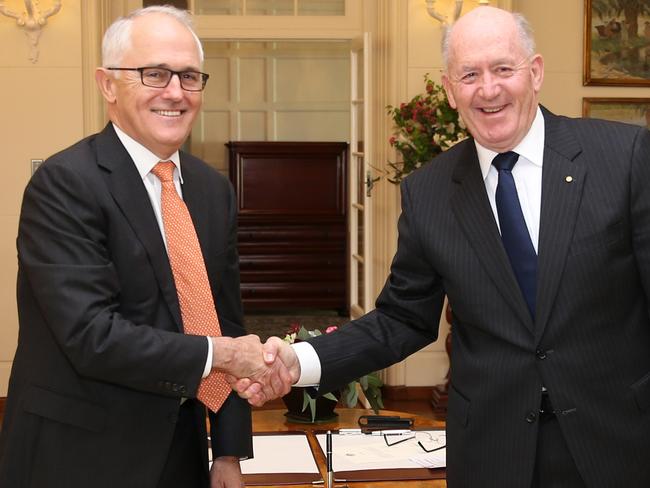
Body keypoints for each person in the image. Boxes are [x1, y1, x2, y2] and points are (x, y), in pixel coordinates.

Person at [232, 6, 650, 488]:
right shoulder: (428, 193)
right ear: (450, 90)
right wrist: (298, 360)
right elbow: (402, 319)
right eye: (469, 74)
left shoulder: (623, 158)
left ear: (534, 73)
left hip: (620, 443)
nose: (487, 89)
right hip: (493, 453)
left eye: (502, 69)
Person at [0, 6, 292, 488]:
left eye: (189, 76)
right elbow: (93, 337)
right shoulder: (64, 184)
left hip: (181, 450)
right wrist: (220, 355)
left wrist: (229, 452)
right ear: (108, 84)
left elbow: (224, 320)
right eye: (154, 73)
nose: (175, 92)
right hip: (79, 456)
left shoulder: (211, 189)